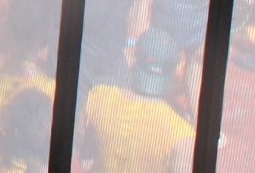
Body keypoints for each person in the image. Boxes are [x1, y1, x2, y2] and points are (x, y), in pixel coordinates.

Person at [82, 26, 196, 173]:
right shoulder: (181, 134)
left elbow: (82, 157)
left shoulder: (98, 98)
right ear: (175, 73)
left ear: (133, 60)